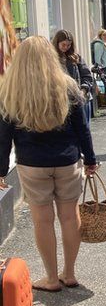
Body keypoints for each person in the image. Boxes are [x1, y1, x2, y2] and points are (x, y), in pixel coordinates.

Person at [0, 36, 99, 292]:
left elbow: (4, 137)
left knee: (42, 221)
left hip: (32, 164)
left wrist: (1, 171)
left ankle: (51, 278)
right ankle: (70, 273)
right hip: (67, 161)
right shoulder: (67, 85)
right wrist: (90, 159)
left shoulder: (11, 91)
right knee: (69, 216)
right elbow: (82, 129)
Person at [52, 30, 95, 124]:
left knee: (84, 128)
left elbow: (86, 75)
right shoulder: (51, 59)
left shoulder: (75, 57)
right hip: (62, 101)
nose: (66, 47)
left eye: (69, 45)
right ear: (57, 43)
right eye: (63, 44)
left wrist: (83, 90)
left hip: (80, 98)